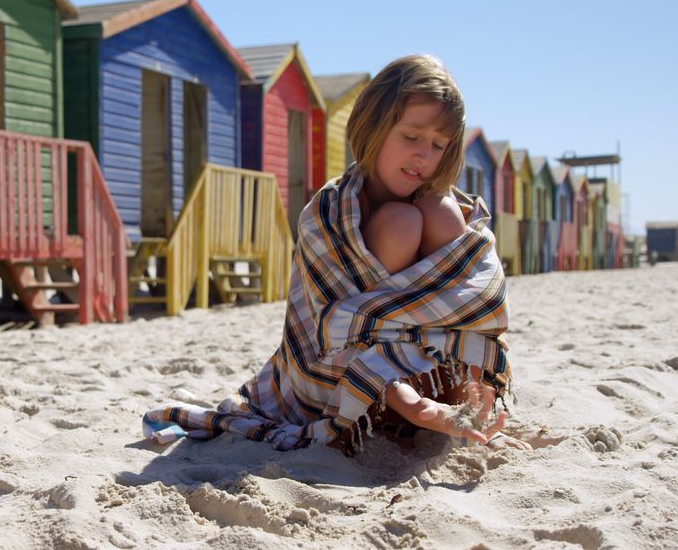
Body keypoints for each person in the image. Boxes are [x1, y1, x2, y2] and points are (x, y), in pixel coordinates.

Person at [144, 55, 532, 455]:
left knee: (441, 210)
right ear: (375, 127)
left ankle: (466, 410)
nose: (424, 156)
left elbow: (476, 308)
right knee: (401, 221)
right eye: (411, 137)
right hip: (343, 386)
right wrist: (414, 407)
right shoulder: (328, 214)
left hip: (429, 381)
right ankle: (410, 402)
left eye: (438, 145)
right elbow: (330, 332)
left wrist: (466, 401)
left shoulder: (446, 211)